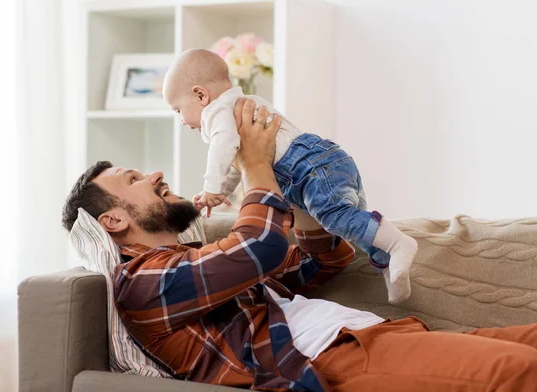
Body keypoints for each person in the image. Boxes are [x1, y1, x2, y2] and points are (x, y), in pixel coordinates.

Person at [61, 100, 537, 392]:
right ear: (114, 219)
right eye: (135, 179)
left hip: (379, 336)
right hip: (335, 360)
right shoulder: (144, 284)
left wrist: (297, 184)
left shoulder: (201, 264)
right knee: (522, 373)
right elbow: (260, 247)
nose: (156, 174)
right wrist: (255, 167)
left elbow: (324, 260)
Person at [162, 48, 416, 304]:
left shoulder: (217, 112)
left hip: (310, 169)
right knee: (355, 225)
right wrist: (219, 193)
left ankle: (398, 244)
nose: (181, 121)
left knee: (336, 218)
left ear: (200, 94)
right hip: (321, 163)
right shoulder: (240, 106)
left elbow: (224, 145)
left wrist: (210, 186)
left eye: (178, 110)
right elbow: (236, 164)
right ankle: (388, 265)